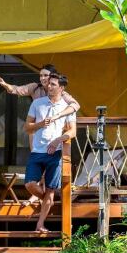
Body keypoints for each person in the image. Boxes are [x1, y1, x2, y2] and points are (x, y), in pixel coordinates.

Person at [23, 73, 77, 233]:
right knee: (30, 184)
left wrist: (58, 140)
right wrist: (39, 124)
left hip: (56, 153)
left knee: (51, 190)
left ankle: (40, 224)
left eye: (53, 84)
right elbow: (26, 127)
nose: (49, 86)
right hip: (37, 151)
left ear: (61, 88)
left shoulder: (67, 108)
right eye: (49, 84)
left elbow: (72, 131)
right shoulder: (37, 103)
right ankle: (47, 201)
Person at [0, 64, 80, 120]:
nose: (42, 78)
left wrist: (59, 115)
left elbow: (75, 105)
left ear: (53, 77)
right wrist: (4, 84)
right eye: (41, 75)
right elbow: (16, 89)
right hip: (37, 126)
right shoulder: (35, 87)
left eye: (45, 75)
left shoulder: (60, 92)